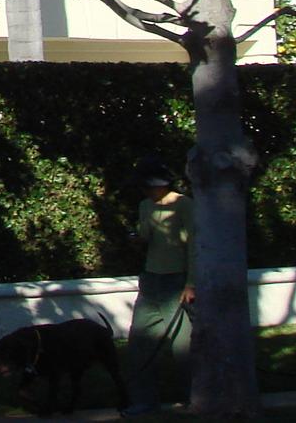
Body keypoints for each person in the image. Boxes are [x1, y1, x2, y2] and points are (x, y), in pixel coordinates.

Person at [121, 157, 195, 413]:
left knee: (184, 346)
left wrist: (191, 283)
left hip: (177, 279)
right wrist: (136, 239)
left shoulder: (184, 205)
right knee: (140, 343)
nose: (146, 191)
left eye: (148, 186)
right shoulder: (145, 206)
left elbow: (194, 245)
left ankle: (194, 397)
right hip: (151, 279)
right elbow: (146, 237)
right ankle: (144, 401)